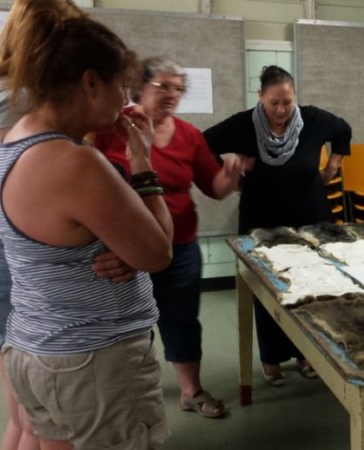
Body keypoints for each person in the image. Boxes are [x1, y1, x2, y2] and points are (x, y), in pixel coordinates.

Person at [0, 16, 174, 449]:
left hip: (34, 346)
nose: (125, 99)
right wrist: (142, 162)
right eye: (120, 85)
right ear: (90, 83)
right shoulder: (75, 162)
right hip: (94, 356)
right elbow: (158, 251)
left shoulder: (14, 140)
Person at [96, 56, 252, 418]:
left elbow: (213, 189)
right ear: (140, 88)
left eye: (178, 88)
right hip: (124, 248)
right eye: (163, 85)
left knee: (182, 318)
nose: (172, 94)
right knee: (130, 326)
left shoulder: (189, 135)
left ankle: (190, 391)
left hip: (179, 246)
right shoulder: (111, 128)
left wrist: (231, 173)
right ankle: (132, 397)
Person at [204, 65, 351, 385]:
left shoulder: (312, 119)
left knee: (311, 287)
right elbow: (203, 144)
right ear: (260, 97)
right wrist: (231, 176)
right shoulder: (244, 125)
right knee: (268, 291)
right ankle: (271, 358)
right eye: (275, 103)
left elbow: (343, 131)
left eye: (288, 102)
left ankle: (305, 353)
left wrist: (332, 166)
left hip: (309, 216)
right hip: (262, 219)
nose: (283, 110)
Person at [0, 2, 96, 450]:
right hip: (18, 259)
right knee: (45, 419)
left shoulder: (4, 91)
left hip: (6, 256)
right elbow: (19, 190)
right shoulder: (17, 99)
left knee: (23, 415)